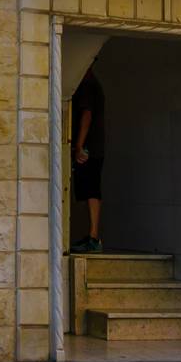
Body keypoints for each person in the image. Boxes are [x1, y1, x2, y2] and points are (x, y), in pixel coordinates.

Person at [70, 61, 105, 253]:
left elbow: (87, 115)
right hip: (93, 148)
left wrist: (79, 146)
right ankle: (91, 235)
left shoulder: (88, 86)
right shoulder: (93, 85)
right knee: (87, 191)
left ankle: (93, 237)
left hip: (89, 149)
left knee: (91, 190)